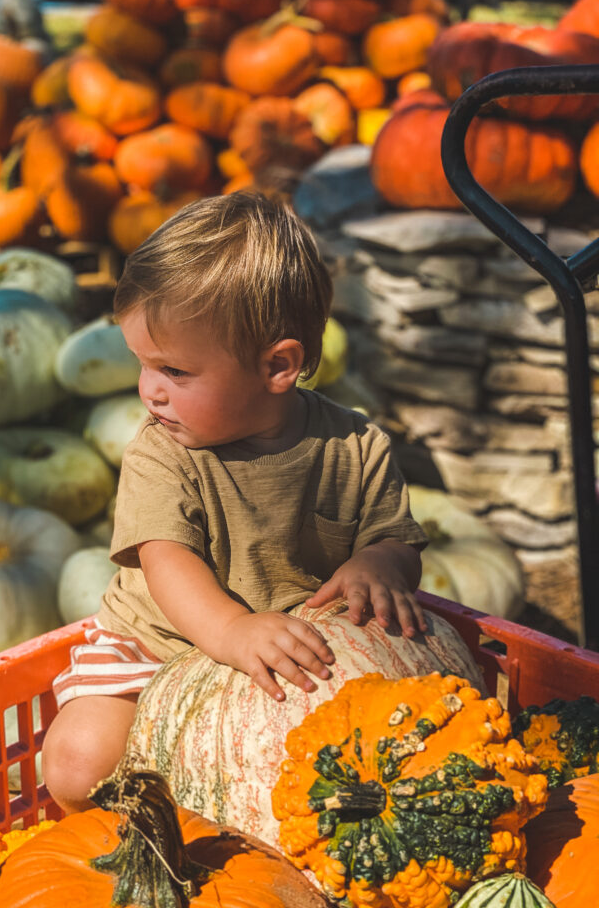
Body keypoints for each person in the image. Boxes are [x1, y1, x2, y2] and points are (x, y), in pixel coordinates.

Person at [41, 190, 428, 814]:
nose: (149, 392)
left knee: (333, 793)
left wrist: (381, 563)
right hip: (160, 649)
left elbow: (396, 538)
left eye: (174, 371)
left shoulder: (357, 446)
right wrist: (229, 629)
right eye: (142, 365)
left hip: (293, 659)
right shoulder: (161, 454)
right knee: (79, 764)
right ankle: (127, 847)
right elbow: (166, 559)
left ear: (278, 366)